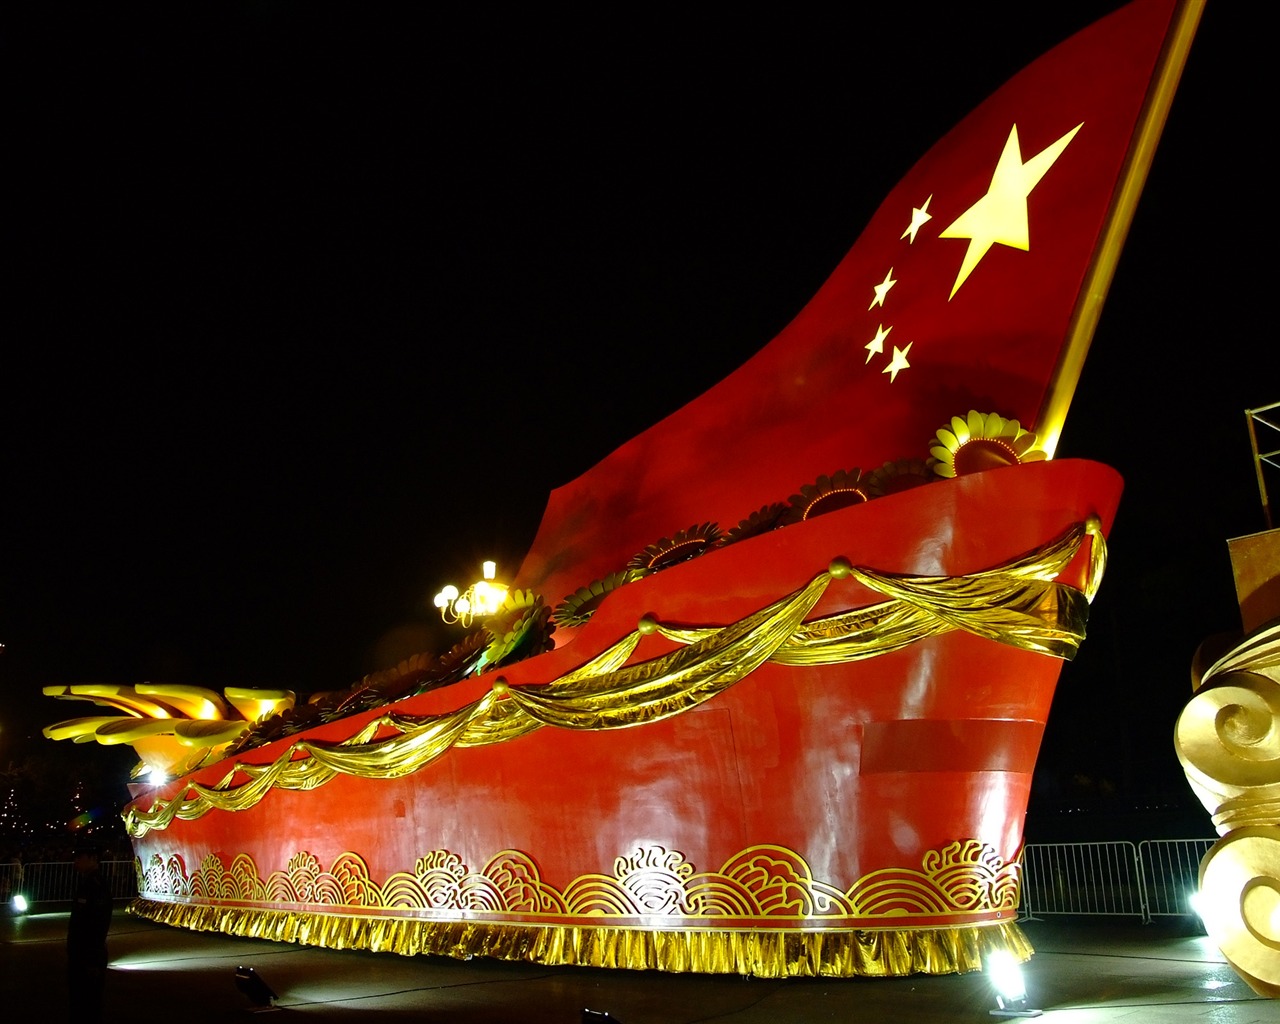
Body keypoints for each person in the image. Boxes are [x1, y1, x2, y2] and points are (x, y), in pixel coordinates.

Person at [67, 843, 113, 1022]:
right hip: (80, 952)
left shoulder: (96, 885)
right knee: (78, 998)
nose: (76, 862)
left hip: (89, 954)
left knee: (88, 1001)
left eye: (81, 858)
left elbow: (98, 924)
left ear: (93, 859)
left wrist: (93, 958)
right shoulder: (86, 882)